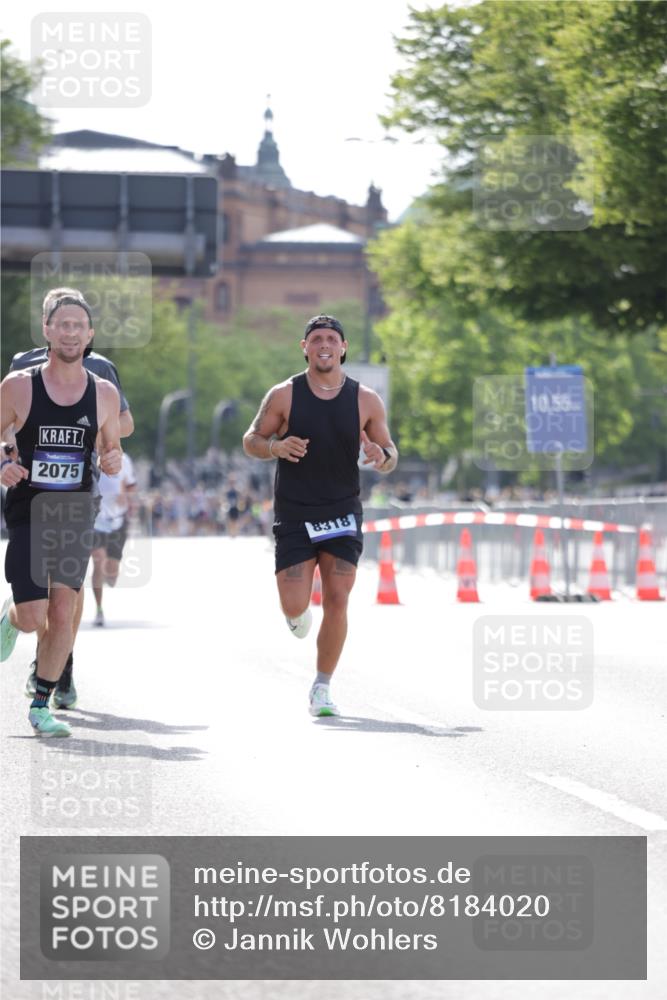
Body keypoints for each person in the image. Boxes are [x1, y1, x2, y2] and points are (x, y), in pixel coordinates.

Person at [242, 314, 398, 717]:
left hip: (343, 510)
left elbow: (390, 454)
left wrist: (382, 457)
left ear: (343, 347)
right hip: (295, 511)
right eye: (316, 339)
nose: (324, 345)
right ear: (305, 347)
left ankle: (322, 686)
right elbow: (252, 439)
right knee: (294, 605)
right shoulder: (284, 395)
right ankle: (296, 615)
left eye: (332, 339)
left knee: (338, 597)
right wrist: (275, 448)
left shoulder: (365, 399)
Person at [0, 288, 122, 736]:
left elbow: (112, 449)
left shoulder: (104, 392)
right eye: (62, 324)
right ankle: (11, 615)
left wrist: (112, 459)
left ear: (89, 335)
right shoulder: (18, 386)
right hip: (29, 510)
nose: (70, 332)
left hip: (75, 511)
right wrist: (4, 463)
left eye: (78, 325)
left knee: (65, 607)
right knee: (34, 616)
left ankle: (41, 701)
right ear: (47, 331)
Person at [91, 451, 137, 626]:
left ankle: (108, 575)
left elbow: (132, 485)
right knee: (98, 562)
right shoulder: (91, 456)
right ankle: (99, 609)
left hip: (118, 520)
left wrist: (126, 497)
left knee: (111, 574)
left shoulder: (124, 459)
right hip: (95, 521)